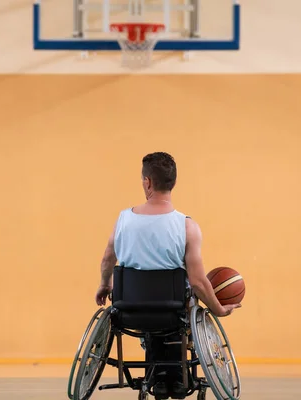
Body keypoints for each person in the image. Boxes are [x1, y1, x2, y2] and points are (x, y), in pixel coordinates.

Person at [94, 151, 240, 397]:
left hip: (129, 312)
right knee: (183, 302)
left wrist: (104, 284)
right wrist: (218, 309)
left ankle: (160, 376)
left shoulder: (123, 221)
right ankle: (175, 376)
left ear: (148, 182)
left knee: (156, 313)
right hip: (173, 314)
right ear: (173, 183)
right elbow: (197, 282)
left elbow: (108, 258)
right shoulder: (187, 226)